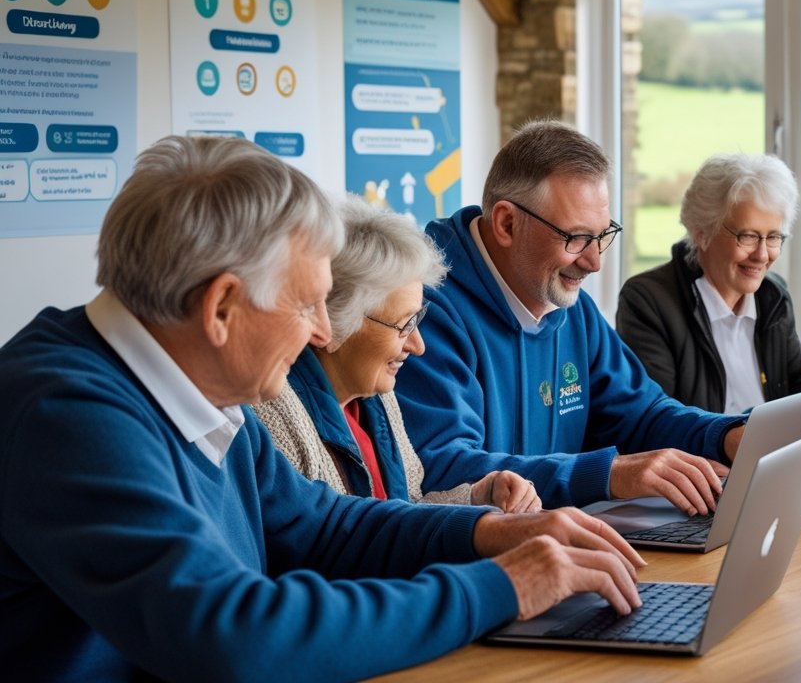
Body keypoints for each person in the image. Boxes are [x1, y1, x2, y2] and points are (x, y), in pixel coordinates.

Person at [0, 135, 645, 681]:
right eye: (307, 303)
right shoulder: (66, 415)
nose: (319, 333)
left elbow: (327, 528)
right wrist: (504, 586)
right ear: (222, 308)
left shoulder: (202, 388)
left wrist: (491, 534)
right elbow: (231, 633)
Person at [396, 120, 747, 515]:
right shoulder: (424, 308)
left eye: (602, 235)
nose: (594, 261)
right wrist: (609, 474)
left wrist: (727, 436)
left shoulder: (564, 299)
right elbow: (446, 470)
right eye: (576, 238)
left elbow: (641, 413)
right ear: (507, 223)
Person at [252, 196, 540, 512]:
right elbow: (325, 547)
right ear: (335, 322)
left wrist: (478, 497)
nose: (419, 346)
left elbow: (408, 508)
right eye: (403, 325)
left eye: (418, 320)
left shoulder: (378, 396)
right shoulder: (274, 414)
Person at [616, 153, 801, 413]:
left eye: (773, 237)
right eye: (748, 236)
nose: (762, 255)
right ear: (702, 232)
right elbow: (656, 419)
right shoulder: (648, 301)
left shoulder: (773, 295)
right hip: (701, 454)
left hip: (773, 452)